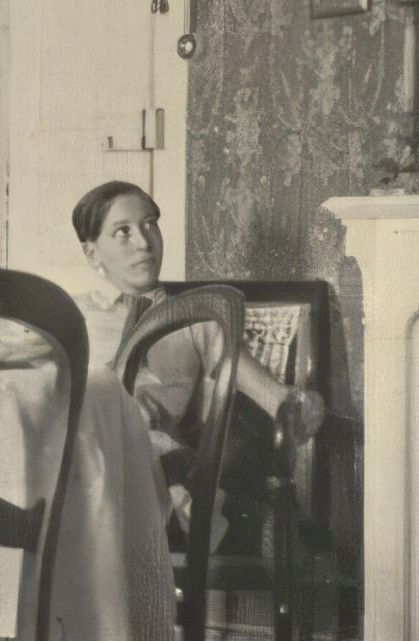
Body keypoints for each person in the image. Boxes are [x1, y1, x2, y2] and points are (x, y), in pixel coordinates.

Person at [71, 182, 322, 523]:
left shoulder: (198, 320)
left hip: (149, 472)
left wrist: (301, 409)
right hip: (76, 464)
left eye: (150, 224)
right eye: (123, 232)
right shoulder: (74, 315)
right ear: (92, 254)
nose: (144, 242)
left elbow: (276, 399)